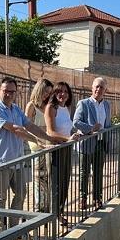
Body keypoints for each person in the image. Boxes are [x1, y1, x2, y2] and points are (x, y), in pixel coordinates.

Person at [0, 77, 59, 231]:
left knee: (21, 194)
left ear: (16, 93)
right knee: (1, 198)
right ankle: (1, 230)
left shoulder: (16, 109)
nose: (9, 94)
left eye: (12, 91)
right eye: (6, 91)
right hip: (2, 162)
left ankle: (13, 228)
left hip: (17, 161)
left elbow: (29, 125)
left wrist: (48, 138)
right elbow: (16, 129)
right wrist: (37, 141)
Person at [73, 77, 112, 210]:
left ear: (105, 90)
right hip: (86, 143)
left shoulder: (107, 105)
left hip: (101, 142)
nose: (98, 89)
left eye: (101, 87)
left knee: (98, 172)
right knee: (84, 172)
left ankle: (97, 198)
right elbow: (76, 122)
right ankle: (83, 198)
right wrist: (91, 128)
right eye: (96, 86)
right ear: (92, 88)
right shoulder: (84, 103)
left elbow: (108, 124)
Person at [44, 82, 79, 226]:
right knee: (56, 183)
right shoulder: (51, 108)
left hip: (67, 147)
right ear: (54, 93)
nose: (62, 94)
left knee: (65, 181)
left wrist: (75, 134)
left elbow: (67, 129)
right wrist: (68, 139)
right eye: (59, 91)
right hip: (55, 148)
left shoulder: (67, 108)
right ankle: (53, 215)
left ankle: (59, 212)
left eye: (65, 91)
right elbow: (51, 132)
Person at [24, 79, 54, 213]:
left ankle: (48, 207)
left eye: (49, 93)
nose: (47, 95)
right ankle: (39, 207)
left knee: (48, 178)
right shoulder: (32, 105)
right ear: (39, 90)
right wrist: (37, 141)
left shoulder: (48, 106)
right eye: (45, 92)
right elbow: (26, 126)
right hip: (37, 144)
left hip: (49, 143)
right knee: (38, 178)